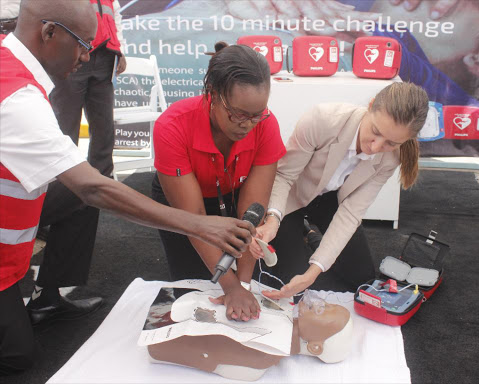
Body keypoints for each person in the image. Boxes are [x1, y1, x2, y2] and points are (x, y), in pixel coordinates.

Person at [0, 0, 254, 375]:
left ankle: (49, 294)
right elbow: (94, 190)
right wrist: (198, 224)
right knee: (19, 357)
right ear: (49, 32)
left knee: (79, 184)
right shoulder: (19, 99)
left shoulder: (13, 63)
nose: (88, 57)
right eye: (84, 44)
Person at [249, 82, 429, 299]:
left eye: (390, 143)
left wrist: (314, 271)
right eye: (375, 131)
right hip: (294, 194)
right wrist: (272, 220)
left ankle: (312, 235)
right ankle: (302, 229)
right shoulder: (322, 119)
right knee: (288, 283)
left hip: (331, 200)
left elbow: (351, 212)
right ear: (370, 106)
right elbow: (284, 176)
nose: (374, 147)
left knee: (362, 279)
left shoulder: (392, 157)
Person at [151, 42, 286, 322]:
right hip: (185, 206)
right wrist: (230, 285)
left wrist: (244, 285)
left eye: (256, 114)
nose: (248, 124)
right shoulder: (172, 126)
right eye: (238, 114)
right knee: (196, 289)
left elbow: (253, 211)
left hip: (234, 195)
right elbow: (195, 218)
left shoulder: (266, 124)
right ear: (213, 94)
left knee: (252, 281)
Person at [26, 0, 128, 322]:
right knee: (64, 155)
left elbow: (113, 16)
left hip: (104, 54)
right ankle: (46, 221)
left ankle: (49, 293)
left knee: (96, 163)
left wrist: (117, 48)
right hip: (71, 48)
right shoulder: (19, 78)